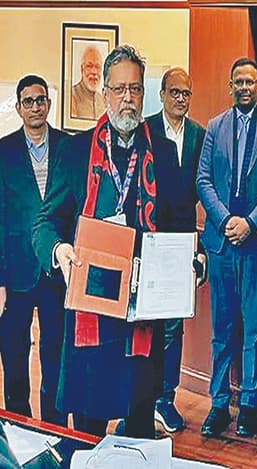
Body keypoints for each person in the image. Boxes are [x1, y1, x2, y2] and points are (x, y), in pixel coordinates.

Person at [32, 44, 202, 438]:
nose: (128, 98)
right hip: (91, 315)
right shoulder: (75, 151)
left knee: (138, 425)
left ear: (144, 93)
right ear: (105, 92)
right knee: (88, 434)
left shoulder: (163, 152)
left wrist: (197, 258)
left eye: (135, 89)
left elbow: (181, 223)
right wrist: (59, 250)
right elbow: (45, 223)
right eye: (120, 89)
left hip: (142, 317)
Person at [197, 57, 257, 439]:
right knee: (222, 329)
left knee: (253, 330)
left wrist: (250, 223)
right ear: (231, 86)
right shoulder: (215, 127)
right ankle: (218, 403)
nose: (244, 88)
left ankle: (249, 402)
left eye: (250, 81)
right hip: (221, 244)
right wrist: (224, 220)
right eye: (238, 82)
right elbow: (203, 180)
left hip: (253, 244)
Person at [0, 75, 67, 426]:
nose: (36, 107)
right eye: (28, 101)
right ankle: (18, 427)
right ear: (19, 108)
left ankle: (54, 428)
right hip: (16, 272)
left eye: (41, 100)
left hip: (55, 269)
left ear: (49, 104)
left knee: (55, 352)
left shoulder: (68, 147)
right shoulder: (4, 151)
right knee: (14, 353)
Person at [146, 67, 206, 433]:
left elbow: (203, 188)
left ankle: (165, 399)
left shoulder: (199, 135)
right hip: (149, 241)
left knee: (173, 328)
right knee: (144, 326)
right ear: (162, 94)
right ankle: (142, 399)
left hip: (183, 243)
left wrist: (200, 249)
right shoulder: (146, 130)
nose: (180, 98)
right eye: (174, 92)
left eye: (186, 93)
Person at [71, 45, 105, 120]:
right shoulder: (72, 96)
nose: (94, 72)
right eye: (89, 66)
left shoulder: (102, 100)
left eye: (97, 67)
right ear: (82, 69)